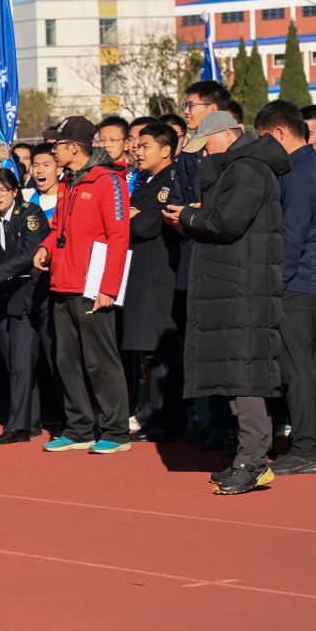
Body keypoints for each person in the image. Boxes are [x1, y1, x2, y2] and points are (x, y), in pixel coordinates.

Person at [164, 114, 288, 495]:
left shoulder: (247, 169)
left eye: (207, 145)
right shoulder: (242, 167)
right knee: (237, 377)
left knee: (243, 376)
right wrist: (200, 212)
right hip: (237, 286)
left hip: (242, 289)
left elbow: (228, 222)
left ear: (226, 135)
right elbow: (227, 217)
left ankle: (253, 461)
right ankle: (247, 458)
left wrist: (189, 215)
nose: (204, 154)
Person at [35, 116, 131, 454]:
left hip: (92, 286)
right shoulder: (67, 182)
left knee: (100, 361)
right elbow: (57, 227)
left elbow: (119, 236)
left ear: (74, 148)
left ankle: (116, 430)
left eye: (58, 145)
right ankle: (79, 429)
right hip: (62, 282)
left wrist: (109, 287)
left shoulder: (108, 181)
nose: (53, 151)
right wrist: (46, 247)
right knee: (67, 360)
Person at [268, 102, 316, 475]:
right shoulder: (308, 166)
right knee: (308, 368)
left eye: (265, 138)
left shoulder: (299, 172)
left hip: (299, 283)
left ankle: (307, 447)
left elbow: (291, 237)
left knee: (298, 370)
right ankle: (315, 446)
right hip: (311, 280)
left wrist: (275, 283)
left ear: (280, 133)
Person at [0, 166, 48, 445]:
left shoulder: (30, 213)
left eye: (2, 191)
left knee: (21, 362)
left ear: (15, 191)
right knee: (13, 362)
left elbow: (31, 252)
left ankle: (18, 426)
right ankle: (31, 420)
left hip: (26, 295)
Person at [122, 120, 184, 441]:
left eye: (146, 146)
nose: (138, 150)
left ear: (166, 150)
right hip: (141, 273)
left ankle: (169, 418)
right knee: (149, 349)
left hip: (160, 275)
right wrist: (129, 215)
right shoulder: (146, 180)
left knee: (162, 349)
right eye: (137, 145)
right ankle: (159, 413)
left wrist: (131, 216)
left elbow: (144, 225)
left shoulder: (171, 180)